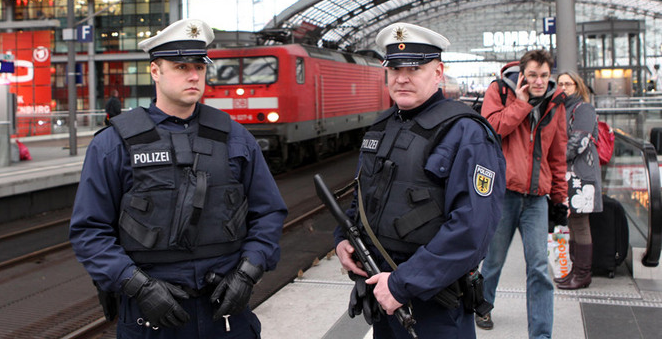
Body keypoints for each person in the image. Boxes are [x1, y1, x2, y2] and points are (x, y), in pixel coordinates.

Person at [69, 18, 288, 339]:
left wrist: (248, 272)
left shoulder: (235, 138)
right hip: (152, 318)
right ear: (155, 71)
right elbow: (89, 231)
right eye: (181, 66)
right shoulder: (113, 145)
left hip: (226, 313)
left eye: (199, 66)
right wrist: (137, 285)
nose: (194, 75)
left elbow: (268, 212)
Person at [334, 22, 506, 338]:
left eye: (415, 67)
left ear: (438, 72)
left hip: (435, 303)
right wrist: (342, 240)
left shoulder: (466, 133)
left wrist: (402, 284)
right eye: (394, 68)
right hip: (383, 293)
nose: (402, 77)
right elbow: (365, 196)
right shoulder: (381, 127)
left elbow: (473, 229)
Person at [477, 49, 568, 339]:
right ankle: (483, 305)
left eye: (543, 75)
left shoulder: (556, 104)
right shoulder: (500, 91)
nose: (538, 81)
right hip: (504, 194)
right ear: (522, 74)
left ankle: (541, 334)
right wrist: (521, 103)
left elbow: (558, 154)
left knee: (539, 267)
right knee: (492, 260)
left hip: (536, 199)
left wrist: (559, 198)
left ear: (549, 75)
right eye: (532, 75)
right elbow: (490, 129)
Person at [554, 70, 602, 290]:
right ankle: (575, 270)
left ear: (577, 86)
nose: (563, 88)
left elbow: (579, 141)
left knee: (581, 222)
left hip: (581, 174)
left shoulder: (583, 108)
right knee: (573, 221)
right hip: (568, 173)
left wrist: (554, 158)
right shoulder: (561, 109)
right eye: (560, 84)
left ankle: (583, 274)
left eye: (568, 84)